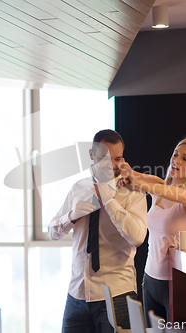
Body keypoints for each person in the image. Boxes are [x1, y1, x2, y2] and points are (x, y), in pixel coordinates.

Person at [48, 129, 148, 333]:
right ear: (92, 156)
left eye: (117, 158)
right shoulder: (79, 188)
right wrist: (71, 217)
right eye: (104, 158)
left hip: (118, 296)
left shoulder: (133, 192)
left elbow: (137, 237)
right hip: (77, 296)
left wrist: (109, 201)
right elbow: (52, 232)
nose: (112, 165)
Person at [120, 137, 186, 327]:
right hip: (149, 279)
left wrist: (139, 183)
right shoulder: (160, 187)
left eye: (185, 158)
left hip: (175, 283)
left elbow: (176, 193)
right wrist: (124, 169)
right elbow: (135, 177)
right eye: (176, 154)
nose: (176, 160)